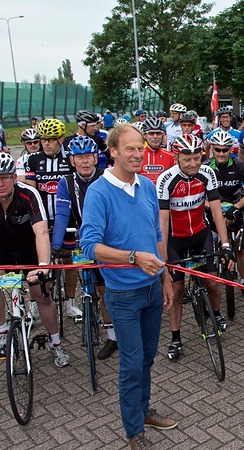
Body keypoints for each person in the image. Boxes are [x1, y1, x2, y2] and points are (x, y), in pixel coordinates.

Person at [79, 124, 178, 449]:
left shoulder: (148, 186)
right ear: (114, 152)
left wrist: (165, 277)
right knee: (131, 363)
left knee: (148, 358)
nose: (137, 154)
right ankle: (134, 431)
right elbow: (88, 245)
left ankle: (144, 409)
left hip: (153, 288)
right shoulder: (99, 191)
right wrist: (133, 257)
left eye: (140, 148)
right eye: (130, 149)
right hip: (123, 295)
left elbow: (157, 236)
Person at [0, 152, 70, 367]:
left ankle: (55, 342)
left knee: (42, 294)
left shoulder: (28, 194)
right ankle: (3, 332)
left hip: (30, 249)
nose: (0, 183)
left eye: (5, 177)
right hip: (0, 249)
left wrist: (42, 267)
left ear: (14, 177)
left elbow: (41, 233)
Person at [156, 134, 234, 360]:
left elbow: (217, 212)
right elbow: (162, 223)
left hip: (201, 235)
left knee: (212, 281)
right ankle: (176, 337)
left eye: (196, 158)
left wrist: (226, 243)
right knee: (176, 291)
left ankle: (216, 314)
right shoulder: (166, 179)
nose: (192, 164)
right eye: (186, 158)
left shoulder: (207, 173)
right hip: (175, 240)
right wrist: (164, 260)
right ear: (176, 157)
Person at [50, 135, 119, 359]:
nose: (85, 161)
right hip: (83, 237)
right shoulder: (66, 183)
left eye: (88, 156)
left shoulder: (107, 177)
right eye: (79, 157)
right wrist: (56, 244)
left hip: (107, 240)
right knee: (94, 285)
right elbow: (61, 215)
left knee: (105, 289)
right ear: (72, 161)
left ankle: (113, 336)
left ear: (95, 157)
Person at [22, 119, 79, 318]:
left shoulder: (69, 159)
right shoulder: (33, 160)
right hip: (42, 219)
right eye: (43, 139)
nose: (46, 143)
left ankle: (71, 302)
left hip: (66, 218)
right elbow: (30, 190)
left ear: (60, 140)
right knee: (38, 262)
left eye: (51, 139)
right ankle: (34, 303)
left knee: (68, 260)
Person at [207, 130, 244, 297]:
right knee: (210, 245)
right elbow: (199, 196)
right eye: (217, 149)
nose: (221, 153)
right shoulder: (205, 167)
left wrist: (235, 208)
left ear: (230, 149)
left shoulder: (239, 165)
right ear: (212, 149)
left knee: (240, 247)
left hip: (235, 208)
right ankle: (209, 280)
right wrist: (216, 210)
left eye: (225, 150)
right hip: (213, 210)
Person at [137, 117, 175, 185]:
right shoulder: (137, 156)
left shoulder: (172, 157)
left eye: (158, 133)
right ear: (144, 136)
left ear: (163, 135)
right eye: (151, 133)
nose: (155, 136)